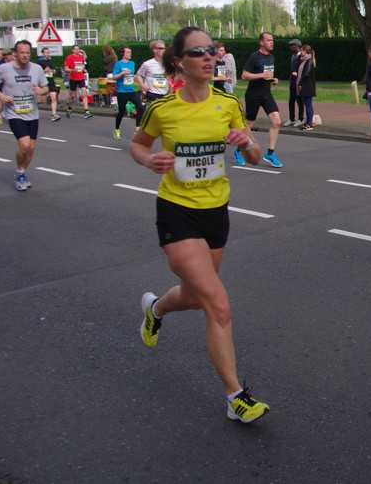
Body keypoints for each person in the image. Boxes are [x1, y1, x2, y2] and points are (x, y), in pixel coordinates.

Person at [130, 26, 270, 424]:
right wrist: (149, 160)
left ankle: (156, 308)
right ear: (179, 62)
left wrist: (246, 143)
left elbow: (256, 156)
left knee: (195, 297)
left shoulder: (227, 103)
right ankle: (236, 397)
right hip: (177, 211)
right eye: (198, 52)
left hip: (216, 212)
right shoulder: (162, 109)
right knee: (218, 304)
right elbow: (138, 144)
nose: (209, 57)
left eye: (211, 50)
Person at [0, 40, 48, 191]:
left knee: (31, 148)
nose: (25, 55)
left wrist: (42, 91)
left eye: (27, 52)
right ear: (15, 53)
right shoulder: (4, 69)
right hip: (14, 113)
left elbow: (46, 87)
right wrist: (1, 96)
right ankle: (20, 175)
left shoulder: (37, 68)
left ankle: (21, 172)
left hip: (32, 113)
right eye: (21, 52)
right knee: (24, 145)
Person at [239, 31, 282, 167]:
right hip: (253, 95)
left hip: (266, 94)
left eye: (272, 40)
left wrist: (273, 80)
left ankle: (270, 153)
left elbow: (267, 75)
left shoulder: (271, 57)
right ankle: (239, 150)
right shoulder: (255, 57)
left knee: (277, 122)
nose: (272, 42)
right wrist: (261, 75)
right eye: (269, 40)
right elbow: (244, 76)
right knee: (249, 124)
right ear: (261, 42)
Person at [109, 46, 142, 140]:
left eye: (130, 52)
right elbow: (113, 77)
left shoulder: (132, 63)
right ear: (123, 54)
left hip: (131, 90)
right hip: (122, 91)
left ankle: (137, 128)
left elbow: (132, 75)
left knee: (140, 108)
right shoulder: (118, 64)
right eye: (127, 52)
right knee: (121, 112)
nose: (130, 54)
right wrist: (122, 73)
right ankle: (117, 130)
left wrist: (134, 77)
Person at [136, 40, 169, 115]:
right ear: (154, 50)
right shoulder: (148, 64)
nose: (163, 50)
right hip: (152, 94)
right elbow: (139, 74)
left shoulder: (167, 63)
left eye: (164, 48)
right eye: (161, 48)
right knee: (153, 116)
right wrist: (142, 85)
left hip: (165, 94)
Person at [63, 44, 92, 119]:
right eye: (76, 49)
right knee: (72, 96)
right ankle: (69, 108)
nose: (77, 50)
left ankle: (86, 111)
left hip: (81, 77)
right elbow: (66, 68)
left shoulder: (81, 57)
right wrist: (72, 70)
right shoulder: (69, 57)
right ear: (72, 50)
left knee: (84, 94)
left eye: (78, 49)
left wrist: (83, 69)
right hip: (73, 78)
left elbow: (82, 66)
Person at [284, 38, 305, 127]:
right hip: (293, 81)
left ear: (296, 45)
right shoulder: (293, 56)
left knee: (300, 101)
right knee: (291, 101)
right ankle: (291, 118)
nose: (290, 47)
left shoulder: (302, 56)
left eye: (292, 45)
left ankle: (301, 119)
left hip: (299, 81)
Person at [296, 44, 316, 130]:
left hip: (307, 86)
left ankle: (310, 124)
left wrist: (300, 82)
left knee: (308, 105)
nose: (301, 52)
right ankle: (308, 122)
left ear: (306, 51)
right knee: (306, 104)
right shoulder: (303, 60)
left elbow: (306, 73)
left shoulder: (309, 61)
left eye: (302, 50)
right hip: (305, 86)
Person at [37, 48, 61, 122]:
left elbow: (53, 68)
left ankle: (54, 115)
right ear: (43, 53)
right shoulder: (39, 61)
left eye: (48, 52)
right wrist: (44, 71)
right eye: (46, 53)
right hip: (43, 82)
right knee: (42, 100)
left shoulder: (51, 60)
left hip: (51, 81)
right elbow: (37, 72)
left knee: (53, 98)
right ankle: (33, 107)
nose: (47, 54)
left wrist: (53, 71)